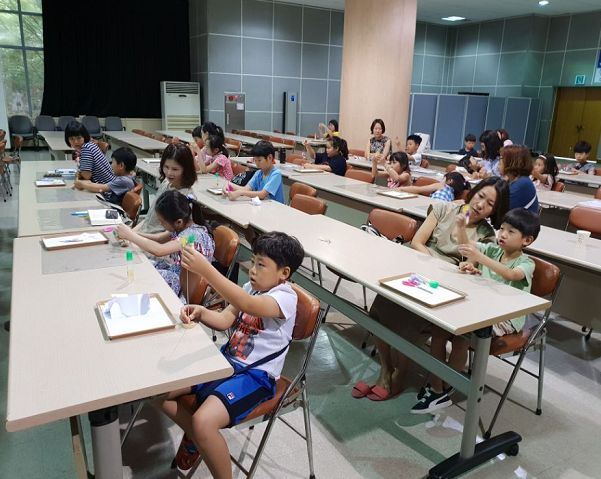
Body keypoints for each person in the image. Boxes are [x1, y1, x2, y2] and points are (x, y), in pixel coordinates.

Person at [160, 231, 305, 475]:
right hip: (228, 362)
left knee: (203, 421)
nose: (254, 270)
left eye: (262, 265)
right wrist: (202, 313)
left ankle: (200, 436)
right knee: (159, 391)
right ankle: (197, 438)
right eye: (254, 261)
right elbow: (225, 319)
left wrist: (206, 270)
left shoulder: (286, 297)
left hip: (257, 376)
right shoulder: (251, 287)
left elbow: (249, 306)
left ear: (284, 273)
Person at [352, 177, 510, 401]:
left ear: (495, 210)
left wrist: (462, 232)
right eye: (481, 196)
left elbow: (469, 262)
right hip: (417, 270)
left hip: (445, 286)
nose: (481, 204)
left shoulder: (486, 235)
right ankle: (386, 369)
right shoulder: (445, 208)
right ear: (473, 192)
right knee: (380, 309)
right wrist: (432, 266)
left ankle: (400, 374)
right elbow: (418, 241)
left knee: (409, 322)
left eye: (490, 204)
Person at [411, 208, 538, 414]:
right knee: (439, 328)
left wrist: (481, 259)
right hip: (481, 307)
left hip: (504, 318)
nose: (502, 234)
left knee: (462, 336)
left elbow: (510, 274)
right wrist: (462, 231)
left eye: (511, 232)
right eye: (502, 229)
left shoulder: (526, 262)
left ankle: (443, 386)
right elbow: (466, 247)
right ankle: (438, 385)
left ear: (527, 240)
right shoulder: (493, 250)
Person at [116, 190, 215, 302]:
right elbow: (159, 239)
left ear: (178, 222)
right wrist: (133, 233)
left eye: (162, 222)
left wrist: (130, 236)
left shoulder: (190, 236)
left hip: (186, 287)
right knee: (144, 267)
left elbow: (160, 250)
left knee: (144, 277)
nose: (161, 224)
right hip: (178, 273)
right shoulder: (182, 226)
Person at [135, 142, 197, 235]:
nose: (169, 173)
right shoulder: (165, 183)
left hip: (154, 242)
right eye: (166, 167)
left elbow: (168, 237)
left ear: (186, 169)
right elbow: (149, 218)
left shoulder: (185, 197)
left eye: (175, 169)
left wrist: (134, 237)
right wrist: (132, 232)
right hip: (144, 234)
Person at [500, 145, 539, 214]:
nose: (499, 162)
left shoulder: (523, 183)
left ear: (511, 161)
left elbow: (498, 208)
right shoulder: (513, 180)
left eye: (501, 158)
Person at [397, 171, 471, 202]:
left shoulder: (441, 186)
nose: (440, 181)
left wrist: (400, 189)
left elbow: (418, 189)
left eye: (443, 178)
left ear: (449, 181)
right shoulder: (452, 195)